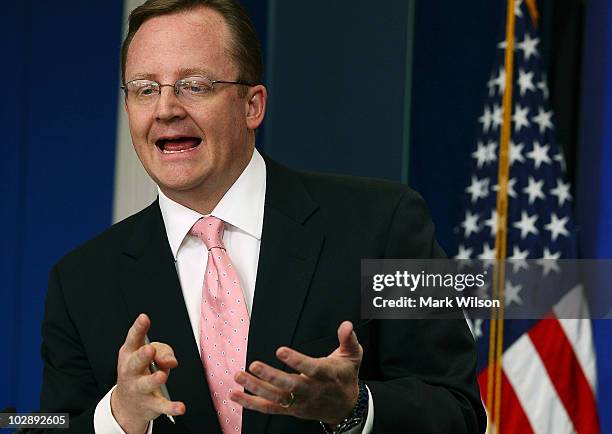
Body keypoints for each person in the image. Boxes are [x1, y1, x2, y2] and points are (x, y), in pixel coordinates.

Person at [38, 1, 487, 433]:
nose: (166, 109)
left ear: (252, 105)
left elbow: (461, 410)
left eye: (194, 85)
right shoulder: (79, 282)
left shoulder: (389, 221)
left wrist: (355, 408)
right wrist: (117, 416)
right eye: (145, 89)